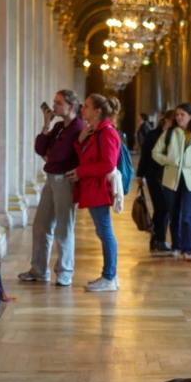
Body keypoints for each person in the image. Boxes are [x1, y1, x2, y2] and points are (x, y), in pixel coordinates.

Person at [20, 89, 84, 286]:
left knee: (64, 227)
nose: (53, 106)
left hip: (65, 180)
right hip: (51, 178)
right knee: (40, 225)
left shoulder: (77, 128)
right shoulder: (57, 126)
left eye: (58, 103)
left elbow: (56, 155)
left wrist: (50, 153)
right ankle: (39, 269)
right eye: (54, 102)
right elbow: (41, 149)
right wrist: (46, 124)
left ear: (70, 106)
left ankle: (65, 271)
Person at [70, 94, 121, 291]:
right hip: (92, 187)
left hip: (98, 188)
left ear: (97, 111)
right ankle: (111, 275)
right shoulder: (95, 131)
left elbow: (108, 164)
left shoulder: (106, 132)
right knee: (103, 231)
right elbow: (87, 156)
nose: (82, 109)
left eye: (86, 106)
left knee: (105, 232)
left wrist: (80, 172)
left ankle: (109, 277)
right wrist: (80, 140)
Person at [152, 103, 191, 262]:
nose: (179, 117)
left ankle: (187, 250)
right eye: (177, 115)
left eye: (182, 114)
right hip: (171, 180)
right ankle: (176, 246)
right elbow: (155, 152)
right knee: (174, 214)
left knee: (188, 216)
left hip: (190, 181)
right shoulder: (169, 133)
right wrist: (168, 161)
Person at [138, 109, 175, 253]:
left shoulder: (175, 135)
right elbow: (145, 155)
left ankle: (157, 239)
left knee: (163, 208)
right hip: (153, 175)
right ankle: (159, 239)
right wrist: (140, 175)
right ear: (166, 120)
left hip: (169, 175)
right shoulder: (153, 134)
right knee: (163, 207)